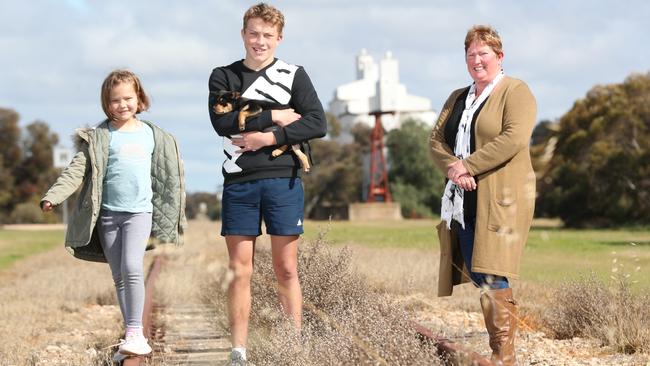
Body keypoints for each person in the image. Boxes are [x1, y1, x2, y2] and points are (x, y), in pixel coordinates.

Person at [208, 3, 327, 365]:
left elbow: (317, 123)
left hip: (283, 179)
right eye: (254, 34)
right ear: (243, 34)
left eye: (268, 36)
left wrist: (266, 138)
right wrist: (276, 115)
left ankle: (293, 345)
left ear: (279, 39)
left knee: (286, 268)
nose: (260, 42)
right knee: (240, 269)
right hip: (239, 183)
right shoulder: (223, 76)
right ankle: (238, 350)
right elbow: (223, 123)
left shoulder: (295, 75)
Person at [40, 69, 187, 362]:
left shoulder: (152, 136)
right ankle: (131, 336)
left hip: (139, 213)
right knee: (119, 275)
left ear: (139, 98)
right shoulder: (98, 137)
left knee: (132, 266)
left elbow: (169, 178)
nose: (122, 105)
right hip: (108, 215)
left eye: (128, 98)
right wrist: (53, 196)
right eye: (115, 101)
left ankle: (134, 333)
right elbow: (76, 171)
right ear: (106, 104)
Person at [429, 25, 536, 366]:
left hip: (500, 197)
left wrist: (468, 166)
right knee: (479, 270)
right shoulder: (458, 97)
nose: (477, 60)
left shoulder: (515, 91)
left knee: (491, 270)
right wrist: (452, 168)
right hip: (463, 199)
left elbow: (514, 138)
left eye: (483, 54)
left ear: (499, 57)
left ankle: (503, 354)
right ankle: (503, 343)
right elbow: (436, 140)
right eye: (471, 54)